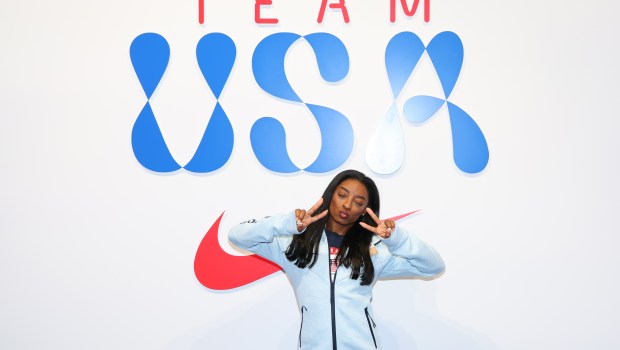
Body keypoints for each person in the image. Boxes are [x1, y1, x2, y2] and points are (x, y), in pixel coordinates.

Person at [228, 169, 445, 350]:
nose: (347, 205)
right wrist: (286, 223)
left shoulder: (374, 251)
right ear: (331, 195)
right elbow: (237, 235)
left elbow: (433, 266)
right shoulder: (294, 245)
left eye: (358, 202)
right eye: (342, 195)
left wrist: (398, 238)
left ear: (364, 211)